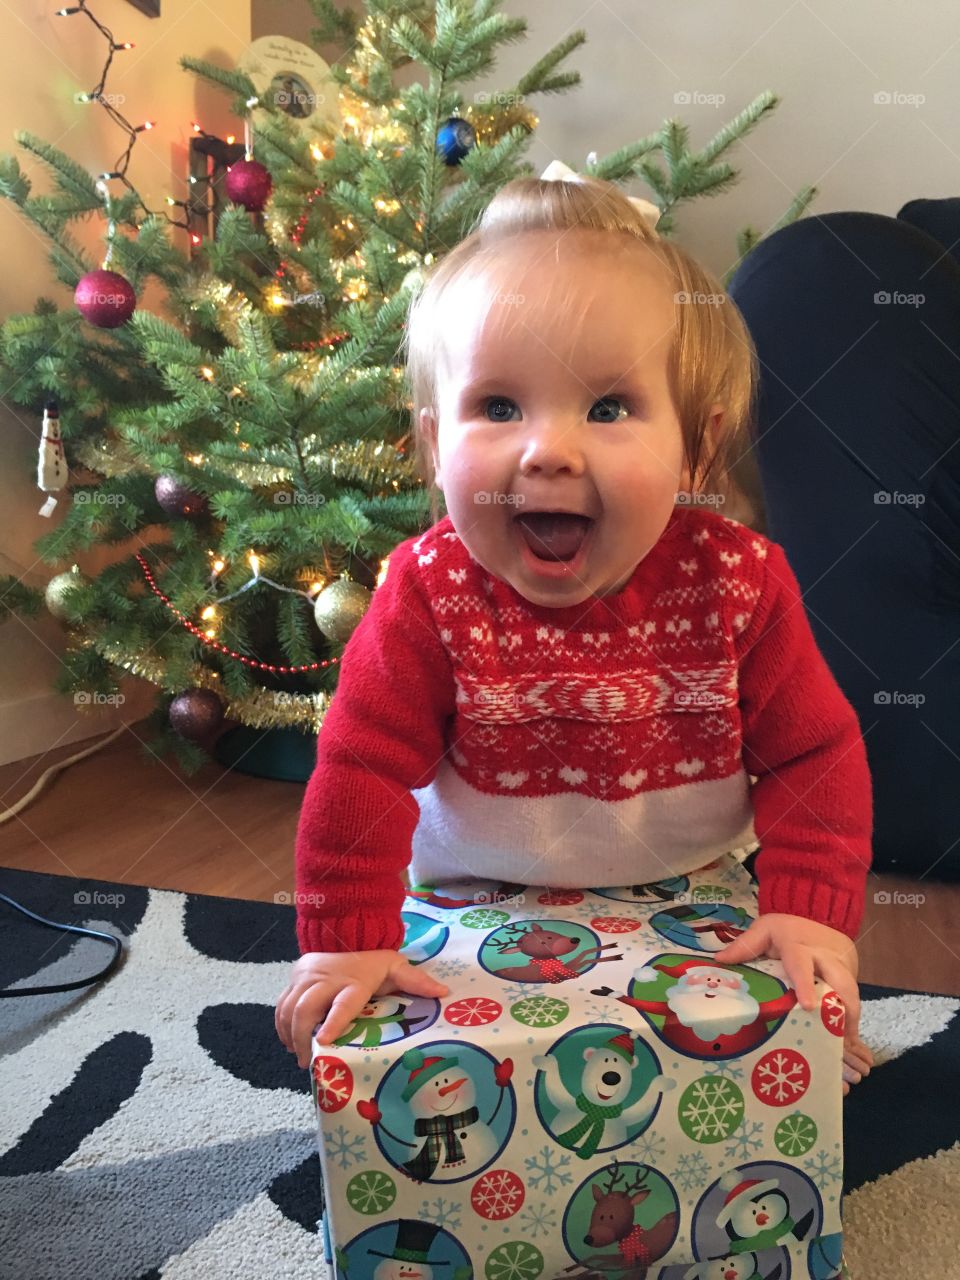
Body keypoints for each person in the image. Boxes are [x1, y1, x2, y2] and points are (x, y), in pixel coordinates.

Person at [274, 166, 874, 1096]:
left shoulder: (741, 582)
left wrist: (810, 915)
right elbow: (359, 767)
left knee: (777, 1044)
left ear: (697, 448)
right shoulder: (427, 592)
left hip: (694, 887)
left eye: (608, 408)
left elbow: (815, 754)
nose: (547, 449)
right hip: (470, 899)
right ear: (436, 445)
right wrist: (347, 941)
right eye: (499, 407)